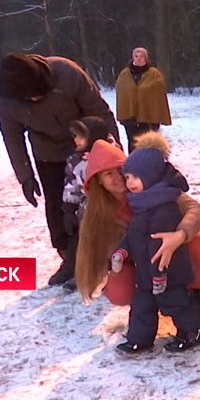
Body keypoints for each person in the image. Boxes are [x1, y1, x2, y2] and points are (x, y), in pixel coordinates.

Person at [0, 53, 120, 286]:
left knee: (98, 203)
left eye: (37, 94)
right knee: (58, 206)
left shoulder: (66, 73)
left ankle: (105, 255)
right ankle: (70, 259)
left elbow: (100, 112)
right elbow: (12, 136)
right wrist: (25, 176)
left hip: (86, 146)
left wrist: (113, 155)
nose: (34, 99)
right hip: (47, 153)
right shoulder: (6, 97)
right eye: (29, 98)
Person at [75, 138, 200, 334]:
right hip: (137, 258)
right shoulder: (97, 214)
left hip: (173, 250)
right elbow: (108, 249)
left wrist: (180, 235)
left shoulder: (156, 187)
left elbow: (196, 210)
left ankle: (194, 300)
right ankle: (146, 309)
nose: (119, 178)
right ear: (99, 181)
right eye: (108, 174)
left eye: (120, 170)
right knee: (120, 289)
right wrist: (135, 250)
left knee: (198, 241)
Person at [112, 135, 200, 353]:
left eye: (136, 177)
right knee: (142, 306)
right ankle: (139, 339)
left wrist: (160, 274)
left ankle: (191, 332)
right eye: (127, 177)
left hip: (169, 272)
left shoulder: (165, 207)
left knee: (176, 302)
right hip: (145, 273)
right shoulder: (141, 204)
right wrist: (122, 252)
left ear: (151, 176)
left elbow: (157, 245)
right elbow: (134, 235)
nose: (130, 183)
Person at [60, 116, 116, 292]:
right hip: (87, 210)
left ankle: (116, 276)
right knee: (85, 243)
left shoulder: (112, 155)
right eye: (74, 136)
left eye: (80, 136)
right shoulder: (75, 160)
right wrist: (69, 209)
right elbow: (72, 184)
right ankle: (82, 275)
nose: (76, 140)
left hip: (112, 208)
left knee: (113, 243)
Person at [114, 47, 172, 152]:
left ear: (146, 58)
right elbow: (122, 91)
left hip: (149, 117)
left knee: (149, 143)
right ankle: (133, 164)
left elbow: (158, 93)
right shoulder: (125, 74)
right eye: (136, 56)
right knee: (133, 142)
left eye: (141, 56)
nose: (139, 59)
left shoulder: (154, 74)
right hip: (130, 118)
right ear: (132, 58)